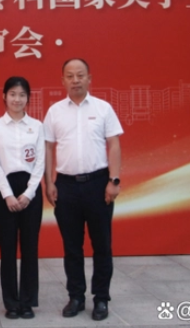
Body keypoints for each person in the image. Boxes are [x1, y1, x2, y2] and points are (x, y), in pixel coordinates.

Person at [43, 58, 123, 321]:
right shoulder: (55, 111)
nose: (75, 80)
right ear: (62, 81)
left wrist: (114, 180)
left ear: (89, 78)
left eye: (80, 75)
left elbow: (114, 144)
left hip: (98, 184)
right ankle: (76, 296)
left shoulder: (103, 108)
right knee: (72, 247)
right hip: (65, 185)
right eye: (70, 76)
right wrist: (49, 182)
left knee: (102, 245)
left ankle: (101, 298)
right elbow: (48, 148)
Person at [0, 76, 45, 320]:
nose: (17, 99)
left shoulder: (37, 126)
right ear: (4, 96)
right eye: (12, 94)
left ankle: (27, 301)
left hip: (31, 191)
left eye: (22, 95)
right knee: (8, 248)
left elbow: (40, 162)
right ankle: (11, 302)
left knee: (30, 247)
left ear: (28, 98)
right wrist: (8, 195)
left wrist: (29, 193)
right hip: (6, 191)